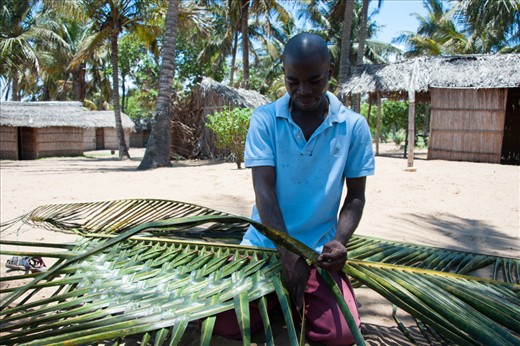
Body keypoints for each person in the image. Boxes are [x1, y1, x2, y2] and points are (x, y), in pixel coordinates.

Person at [215, 32, 375, 345]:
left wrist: (339, 242)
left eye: (314, 80)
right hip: (265, 242)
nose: (303, 91)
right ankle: (284, 295)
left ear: (329, 71)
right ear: (284, 76)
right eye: (293, 81)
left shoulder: (353, 126)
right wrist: (287, 255)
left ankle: (290, 297)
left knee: (339, 335)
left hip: (317, 250)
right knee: (227, 326)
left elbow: (356, 196)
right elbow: (264, 192)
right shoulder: (265, 119)